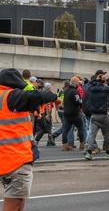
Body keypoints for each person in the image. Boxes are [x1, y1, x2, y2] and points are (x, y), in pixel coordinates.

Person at [0, 68, 57, 211]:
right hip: (16, 159)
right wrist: (54, 97)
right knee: (15, 203)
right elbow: (39, 96)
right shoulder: (11, 96)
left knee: (17, 201)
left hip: (6, 159)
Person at [84, 70, 109, 160]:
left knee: (92, 134)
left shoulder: (91, 89)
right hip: (103, 115)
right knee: (106, 135)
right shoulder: (105, 89)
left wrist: (96, 80)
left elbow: (90, 84)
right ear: (104, 81)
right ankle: (108, 152)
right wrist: (107, 79)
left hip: (94, 115)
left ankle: (89, 153)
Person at [62, 76, 86, 151]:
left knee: (65, 130)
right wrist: (82, 104)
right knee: (80, 128)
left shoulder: (65, 90)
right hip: (75, 114)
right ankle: (82, 144)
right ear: (76, 84)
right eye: (78, 83)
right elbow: (78, 101)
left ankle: (65, 145)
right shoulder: (75, 92)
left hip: (66, 113)